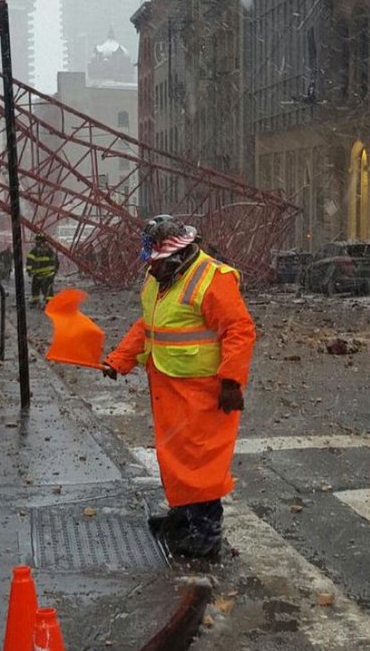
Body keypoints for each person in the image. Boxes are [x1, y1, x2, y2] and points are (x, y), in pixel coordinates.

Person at [102, 215, 256, 559]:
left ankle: (206, 530)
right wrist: (120, 360)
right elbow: (150, 326)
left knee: (202, 461)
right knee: (176, 457)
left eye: (156, 264)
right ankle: (184, 517)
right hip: (169, 385)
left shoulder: (212, 278)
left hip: (204, 389)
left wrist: (231, 382)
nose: (150, 270)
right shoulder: (161, 277)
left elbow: (239, 330)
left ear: (176, 255)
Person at [26, 232, 59, 306]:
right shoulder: (49, 251)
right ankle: (39, 301)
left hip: (44, 274)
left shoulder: (37, 251)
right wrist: (54, 271)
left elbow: (30, 261)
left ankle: (47, 303)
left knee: (43, 288)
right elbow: (30, 260)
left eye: (37, 241)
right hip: (44, 274)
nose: (37, 242)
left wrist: (29, 270)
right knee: (42, 288)